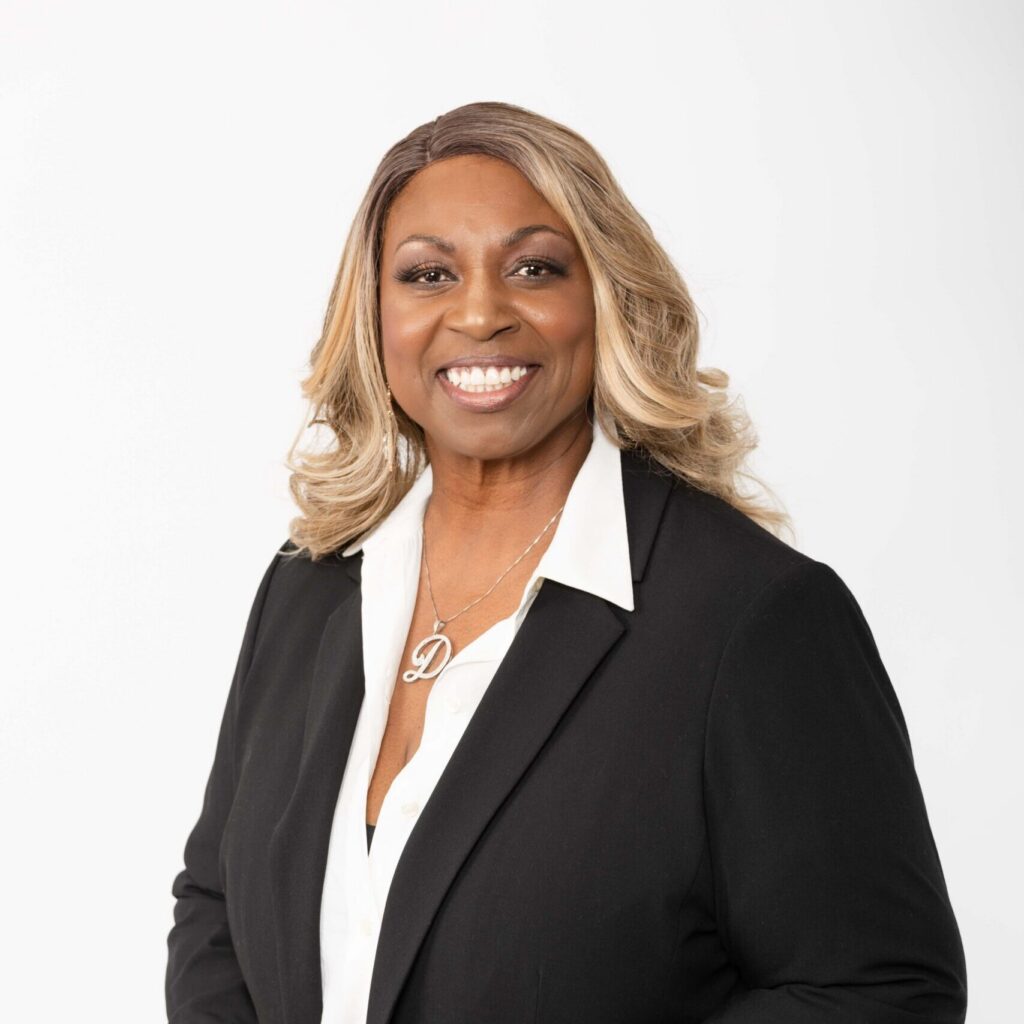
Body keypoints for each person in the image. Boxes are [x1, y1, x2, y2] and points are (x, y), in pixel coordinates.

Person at [165, 101, 967, 1024]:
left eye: (534, 268)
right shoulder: (308, 583)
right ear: (375, 318)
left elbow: (877, 991)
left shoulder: (753, 619)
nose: (479, 313)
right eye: (428, 274)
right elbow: (216, 904)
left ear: (607, 299)